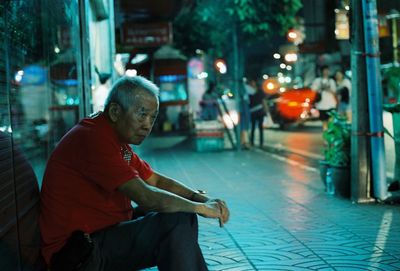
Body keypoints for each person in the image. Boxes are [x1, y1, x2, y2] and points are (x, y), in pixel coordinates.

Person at [39, 76, 230, 271]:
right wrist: (202, 208)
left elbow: (154, 179)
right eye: (142, 114)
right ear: (115, 111)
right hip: (78, 253)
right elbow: (147, 197)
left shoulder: (114, 139)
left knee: (182, 213)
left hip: (104, 233)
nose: (147, 124)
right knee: (175, 220)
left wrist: (198, 198)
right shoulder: (93, 138)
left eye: (152, 117)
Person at [311, 65, 337, 130]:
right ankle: (326, 134)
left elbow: (334, 92)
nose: (326, 72)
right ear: (321, 72)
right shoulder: (317, 80)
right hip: (321, 105)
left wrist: (328, 89)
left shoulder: (331, 81)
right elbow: (313, 90)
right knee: (324, 121)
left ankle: (330, 134)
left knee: (330, 120)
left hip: (331, 104)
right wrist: (320, 87)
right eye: (324, 71)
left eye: (327, 70)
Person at [249, 80, 268, 147]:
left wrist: (266, 110)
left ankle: (261, 143)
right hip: (253, 111)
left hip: (260, 111)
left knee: (260, 127)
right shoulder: (249, 92)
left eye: (253, 83)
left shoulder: (260, 91)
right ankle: (251, 142)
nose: (252, 84)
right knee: (253, 127)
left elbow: (263, 101)